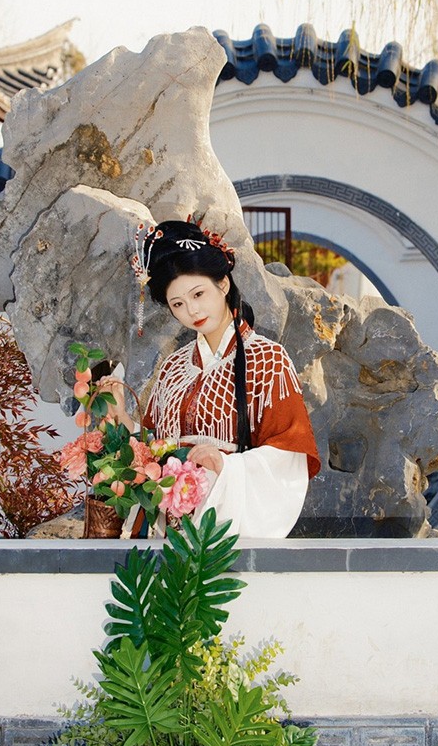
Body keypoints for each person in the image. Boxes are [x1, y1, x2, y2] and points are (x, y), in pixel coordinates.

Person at [101, 218, 320, 538]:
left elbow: (288, 457)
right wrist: (121, 419)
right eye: (178, 303)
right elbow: (155, 449)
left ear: (223, 284)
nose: (191, 310)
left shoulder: (268, 360)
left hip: (226, 528)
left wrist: (226, 466)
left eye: (199, 293)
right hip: (169, 531)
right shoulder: (173, 367)